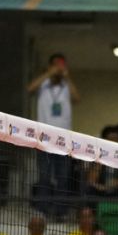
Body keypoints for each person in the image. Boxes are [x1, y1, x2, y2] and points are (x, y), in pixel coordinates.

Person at [27, 53, 81, 218]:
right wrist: (48, 73)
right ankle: (43, 210)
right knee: (44, 176)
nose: (59, 68)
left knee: (63, 177)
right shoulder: (43, 85)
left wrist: (67, 77)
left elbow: (77, 98)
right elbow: (30, 89)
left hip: (64, 140)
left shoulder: (66, 86)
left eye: (62, 65)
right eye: (56, 65)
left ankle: (60, 211)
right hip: (43, 138)